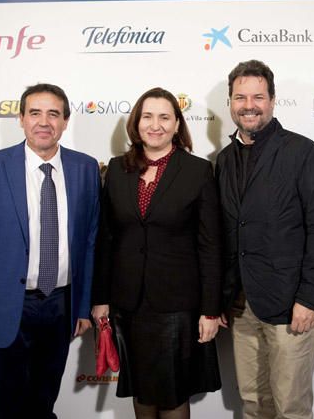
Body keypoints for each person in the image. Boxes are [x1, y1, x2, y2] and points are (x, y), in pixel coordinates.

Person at [0, 83, 100, 419]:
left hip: (59, 308)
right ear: (20, 119)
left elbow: (90, 244)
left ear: (65, 121)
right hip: (3, 311)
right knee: (6, 409)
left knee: (43, 406)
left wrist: (82, 306)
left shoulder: (86, 169)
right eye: (35, 113)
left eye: (53, 114)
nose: (44, 122)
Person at [216, 60, 314, 419]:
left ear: (272, 100)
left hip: (290, 306)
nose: (248, 105)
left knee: (291, 408)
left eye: (258, 96)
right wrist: (222, 297)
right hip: (241, 308)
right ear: (230, 102)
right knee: (254, 404)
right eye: (240, 97)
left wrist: (310, 298)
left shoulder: (301, 152)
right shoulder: (224, 160)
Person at [92, 87, 222, 419]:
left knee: (173, 395)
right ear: (136, 123)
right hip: (129, 304)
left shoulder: (197, 171)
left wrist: (210, 310)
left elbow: (210, 246)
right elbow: (107, 239)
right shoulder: (118, 170)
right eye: (148, 116)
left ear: (177, 124)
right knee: (143, 392)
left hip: (177, 306)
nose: (156, 125)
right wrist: (101, 297)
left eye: (165, 117)